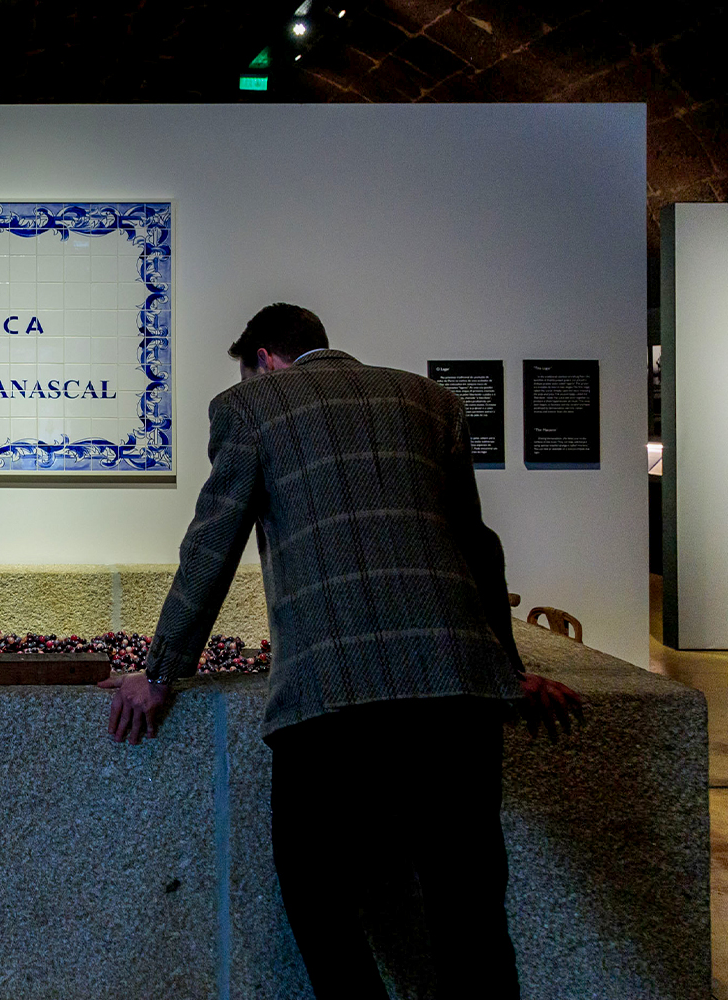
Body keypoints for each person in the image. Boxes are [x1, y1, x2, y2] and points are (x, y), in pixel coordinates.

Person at [100, 303, 582, 999]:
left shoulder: (251, 406)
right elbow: (478, 548)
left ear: (264, 357)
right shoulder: (432, 402)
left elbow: (212, 545)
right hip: (458, 689)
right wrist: (509, 671)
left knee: (314, 892)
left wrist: (160, 672)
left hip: (333, 693)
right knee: (470, 908)